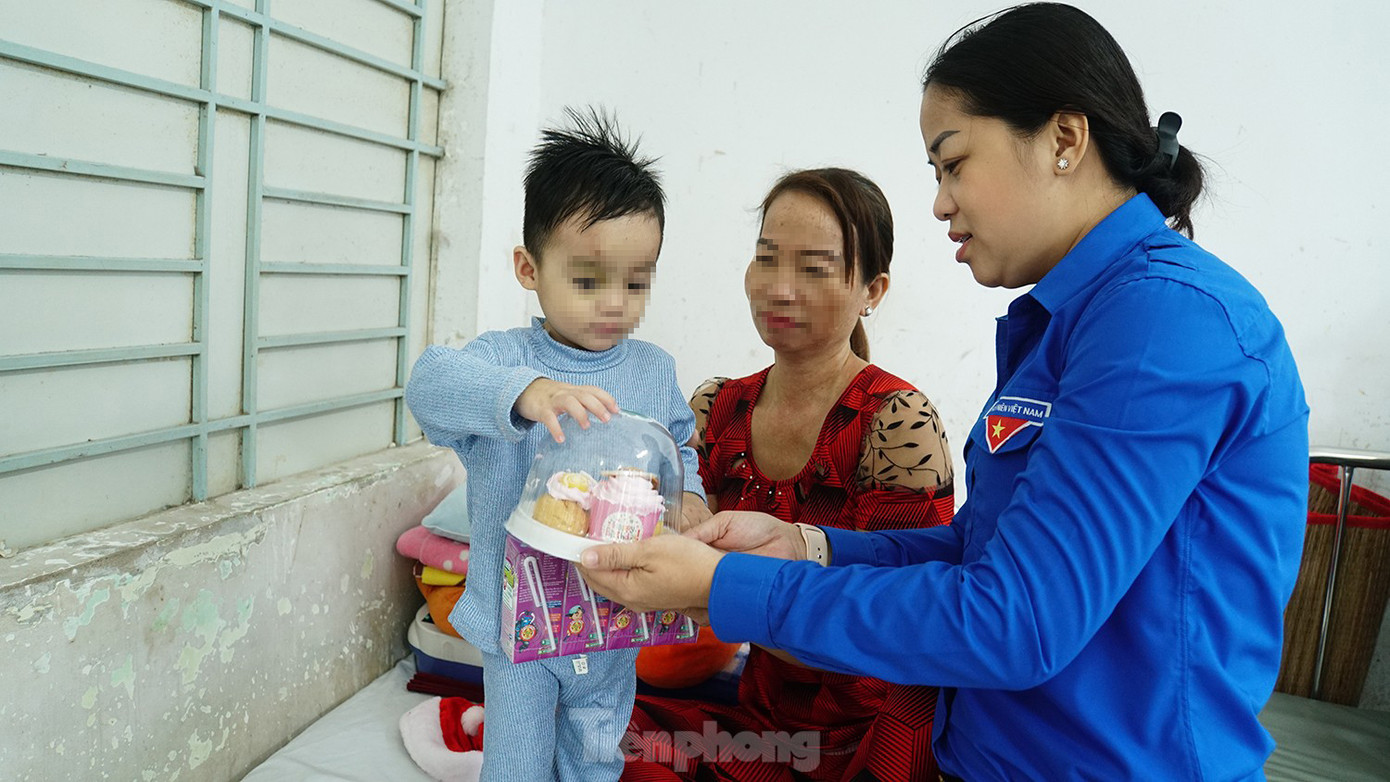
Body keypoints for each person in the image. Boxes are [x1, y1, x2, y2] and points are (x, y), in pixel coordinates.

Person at [580, 5, 1309, 780]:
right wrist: (808, 547)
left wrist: (731, 588)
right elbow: (981, 549)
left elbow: (1015, 619)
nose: (939, 201)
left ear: (1065, 139)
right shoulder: (1065, 325)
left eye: (953, 162)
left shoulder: (1163, 321)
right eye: (766, 258)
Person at [405, 107, 709, 782]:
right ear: (528, 267)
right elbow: (428, 383)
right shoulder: (500, 359)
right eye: (588, 279)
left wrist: (690, 503)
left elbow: (678, 448)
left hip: (614, 618)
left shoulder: (652, 369)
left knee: (597, 752)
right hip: (521, 632)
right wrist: (525, 392)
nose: (615, 303)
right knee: (516, 760)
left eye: (637, 282)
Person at [625, 168, 955, 781]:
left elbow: (904, 622)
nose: (779, 288)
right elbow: (675, 543)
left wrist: (709, 592)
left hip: (871, 735)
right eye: (767, 258)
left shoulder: (895, 423)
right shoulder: (717, 408)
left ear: (871, 289)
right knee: (595, 735)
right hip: (763, 720)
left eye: (815, 267)